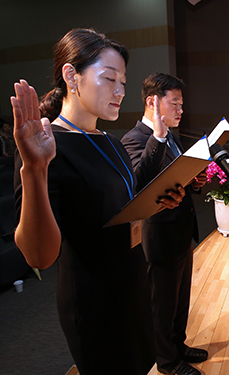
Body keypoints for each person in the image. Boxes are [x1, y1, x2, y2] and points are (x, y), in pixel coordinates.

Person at [10, 29, 184, 375]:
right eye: (109, 79)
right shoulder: (46, 145)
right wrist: (33, 168)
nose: (120, 91)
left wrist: (156, 202)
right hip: (95, 303)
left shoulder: (111, 141)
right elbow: (40, 256)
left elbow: (120, 209)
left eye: (123, 81)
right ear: (71, 76)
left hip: (133, 286)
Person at [121, 73, 208, 375]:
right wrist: (157, 139)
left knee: (180, 300)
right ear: (152, 102)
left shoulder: (171, 135)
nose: (181, 111)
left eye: (181, 104)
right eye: (175, 104)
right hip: (158, 236)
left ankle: (178, 346)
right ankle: (168, 362)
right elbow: (139, 183)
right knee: (162, 304)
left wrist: (194, 180)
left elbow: (173, 179)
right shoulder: (134, 140)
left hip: (181, 231)